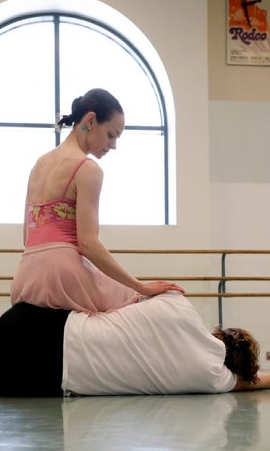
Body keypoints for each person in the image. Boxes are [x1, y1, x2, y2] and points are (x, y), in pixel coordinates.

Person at [0, 293, 270, 397]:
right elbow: (250, 384)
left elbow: (136, 294)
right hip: (56, 373)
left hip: (51, 323)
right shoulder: (215, 379)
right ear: (235, 364)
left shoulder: (181, 308)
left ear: (220, 332)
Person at [10, 88, 184, 312]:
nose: (113, 146)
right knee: (141, 301)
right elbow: (88, 244)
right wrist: (140, 286)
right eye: (111, 135)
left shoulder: (39, 164)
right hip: (62, 274)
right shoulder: (88, 168)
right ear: (90, 120)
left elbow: (27, 237)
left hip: (25, 274)